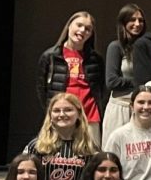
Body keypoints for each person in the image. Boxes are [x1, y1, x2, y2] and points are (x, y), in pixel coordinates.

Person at [38, 11, 106, 145]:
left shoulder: (96, 59)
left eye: (88, 29)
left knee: (90, 160)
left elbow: (101, 88)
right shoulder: (51, 56)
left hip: (89, 117)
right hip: (61, 117)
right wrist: (53, 111)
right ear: (69, 26)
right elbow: (41, 89)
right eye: (79, 25)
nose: (82, 30)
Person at [25, 92, 96, 180]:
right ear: (50, 116)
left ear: (79, 114)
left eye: (68, 110)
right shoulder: (36, 146)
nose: (62, 114)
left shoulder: (90, 148)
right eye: (56, 110)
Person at [102, 84, 151, 180]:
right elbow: (107, 171)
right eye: (141, 102)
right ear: (132, 106)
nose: (146, 107)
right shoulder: (118, 136)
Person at [102, 4, 146, 143]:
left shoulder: (146, 47)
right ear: (124, 22)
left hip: (141, 109)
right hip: (120, 107)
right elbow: (112, 82)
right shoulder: (116, 47)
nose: (137, 24)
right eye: (132, 20)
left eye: (141, 20)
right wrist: (138, 83)